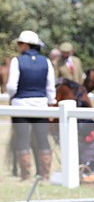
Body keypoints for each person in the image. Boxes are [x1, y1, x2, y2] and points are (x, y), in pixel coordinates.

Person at [5, 30, 56, 181]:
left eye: (20, 43)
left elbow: (11, 87)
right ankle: (45, 174)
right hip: (41, 104)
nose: (19, 46)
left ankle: (25, 175)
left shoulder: (17, 61)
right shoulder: (46, 61)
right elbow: (50, 87)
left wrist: (13, 95)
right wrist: (51, 102)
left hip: (20, 104)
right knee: (43, 139)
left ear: (26, 45)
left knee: (22, 139)